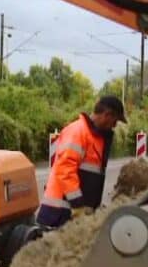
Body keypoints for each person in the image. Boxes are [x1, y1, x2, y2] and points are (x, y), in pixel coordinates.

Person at [36, 96, 126, 228]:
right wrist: (78, 205)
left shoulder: (95, 137)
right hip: (59, 212)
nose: (114, 126)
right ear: (107, 114)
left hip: (74, 211)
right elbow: (65, 170)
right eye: (115, 121)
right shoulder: (77, 132)